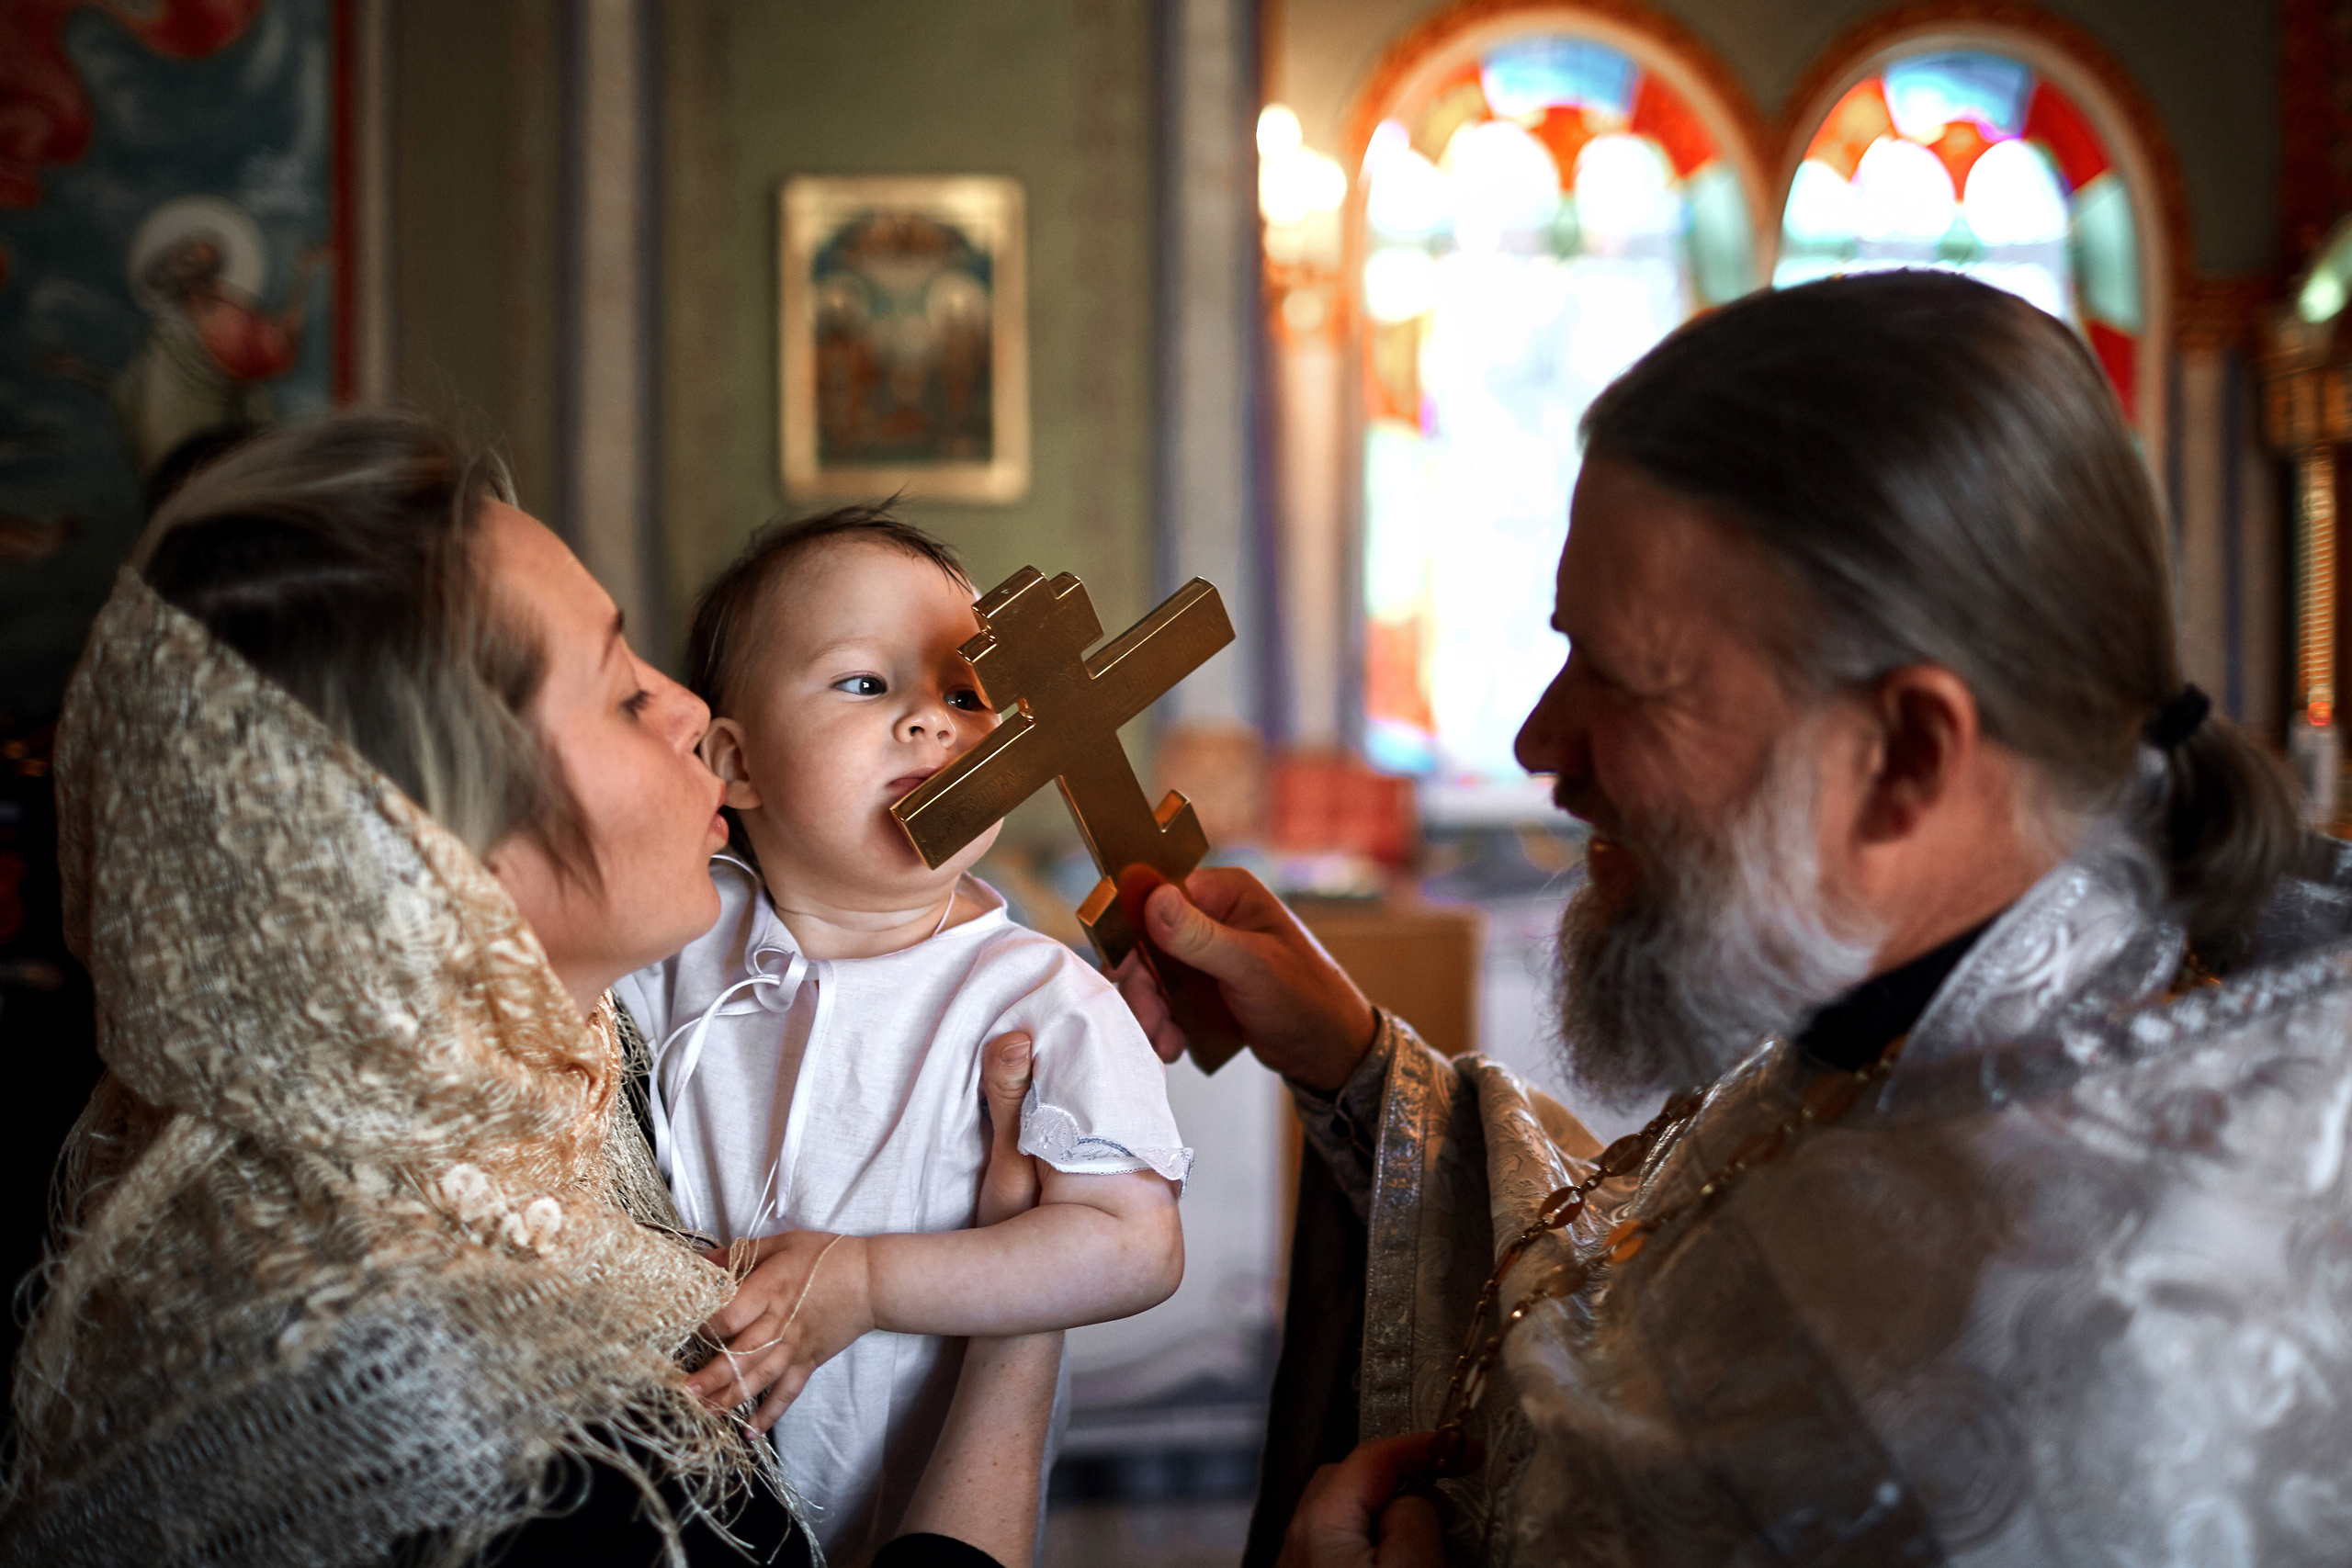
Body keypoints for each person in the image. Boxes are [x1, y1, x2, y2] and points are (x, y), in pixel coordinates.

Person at [1116, 273, 2352, 1567]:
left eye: (1623, 678)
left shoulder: (2107, 1364)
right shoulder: (1946, 987)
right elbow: (1636, 1287)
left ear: (1906, 752)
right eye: (1561, 643)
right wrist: (1360, 1066)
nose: (1542, 739)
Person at [1, 412, 1057, 1568]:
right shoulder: (487, 1448)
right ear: (439, 858)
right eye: (620, 694)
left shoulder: (578, 1090)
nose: (695, 714)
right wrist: (1020, 1308)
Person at [616, 508, 1190, 1562]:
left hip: (925, 1515)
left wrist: (868, 1284)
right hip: (684, 1514)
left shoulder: (1039, 1000)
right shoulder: (672, 949)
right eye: (866, 684)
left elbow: (1133, 1245)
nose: (931, 723)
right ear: (734, 765)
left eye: (966, 696)